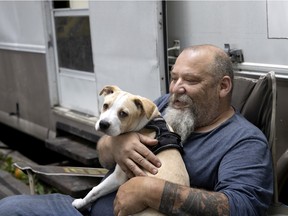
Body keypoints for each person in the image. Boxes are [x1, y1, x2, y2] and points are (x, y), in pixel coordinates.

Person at [0, 44, 273, 216]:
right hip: (90, 206)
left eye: (190, 80)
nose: (176, 88)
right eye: (174, 76)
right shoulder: (165, 105)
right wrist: (115, 145)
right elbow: (103, 153)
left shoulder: (244, 141)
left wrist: (151, 191)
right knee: (11, 208)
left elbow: (243, 207)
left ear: (223, 87)